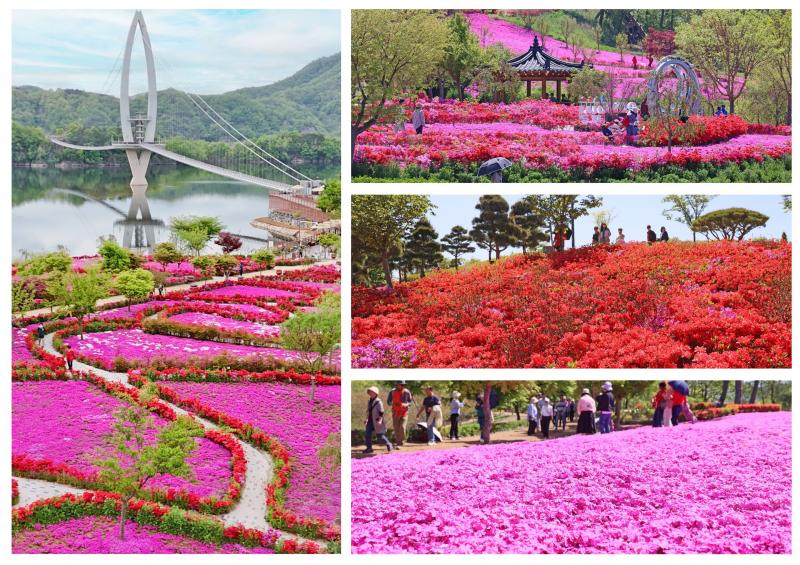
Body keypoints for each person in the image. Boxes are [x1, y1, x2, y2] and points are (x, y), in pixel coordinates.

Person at [364, 386, 393, 453]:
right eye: (370, 392)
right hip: (370, 421)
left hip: (377, 420)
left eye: (372, 392)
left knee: (380, 436)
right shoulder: (369, 401)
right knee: (367, 434)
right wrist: (366, 419)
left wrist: (380, 420)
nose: (370, 393)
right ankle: (369, 448)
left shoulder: (378, 401)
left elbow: (381, 412)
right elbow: (368, 411)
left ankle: (389, 443)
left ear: (375, 393)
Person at [387, 380, 412, 448]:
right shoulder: (392, 391)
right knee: (396, 427)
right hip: (395, 412)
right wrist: (393, 403)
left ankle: (402, 441)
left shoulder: (407, 392)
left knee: (402, 427)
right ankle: (398, 442)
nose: (400, 385)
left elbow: (410, 402)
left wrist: (406, 404)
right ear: (396, 385)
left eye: (401, 384)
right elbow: (388, 401)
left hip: (404, 412)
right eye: (398, 384)